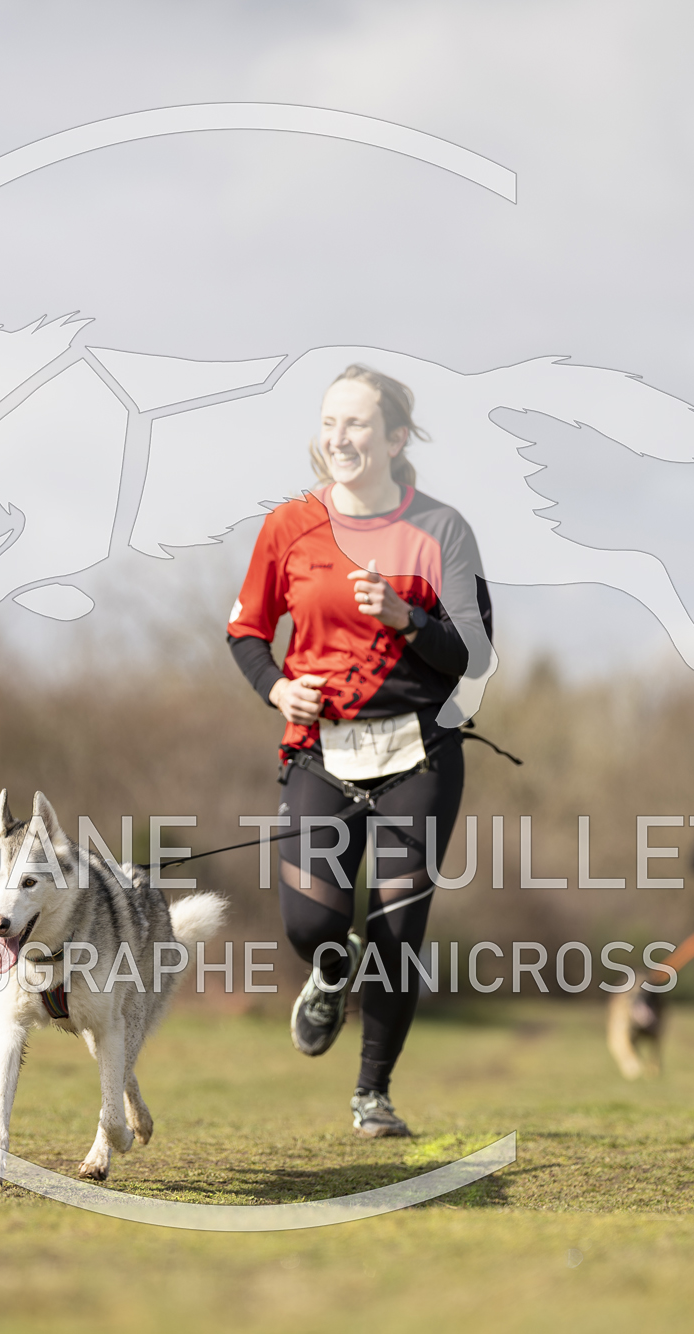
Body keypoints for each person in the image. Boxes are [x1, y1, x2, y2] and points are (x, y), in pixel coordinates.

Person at [227, 364, 492, 1138]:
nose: (338, 437)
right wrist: (277, 689)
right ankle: (330, 968)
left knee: (397, 930)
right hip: (320, 752)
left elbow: (474, 654)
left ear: (395, 438)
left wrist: (409, 617)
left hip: (418, 756)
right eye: (329, 422)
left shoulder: (441, 531)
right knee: (309, 922)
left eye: (357, 424)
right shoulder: (288, 526)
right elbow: (245, 631)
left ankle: (372, 1094)